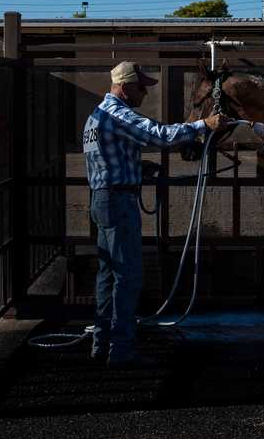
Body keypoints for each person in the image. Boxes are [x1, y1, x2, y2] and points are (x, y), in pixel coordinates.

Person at [82, 60, 224, 366]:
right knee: (128, 275)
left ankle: (101, 342)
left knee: (108, 275)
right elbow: (159, 135)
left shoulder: (95, 116)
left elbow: (105, 160)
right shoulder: (117, 113)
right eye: (141, 87)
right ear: (126, 86)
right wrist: (203, 125)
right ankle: (121, 351)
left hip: (103, 199)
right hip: (118, 201)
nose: (145, 93)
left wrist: (137, 168)